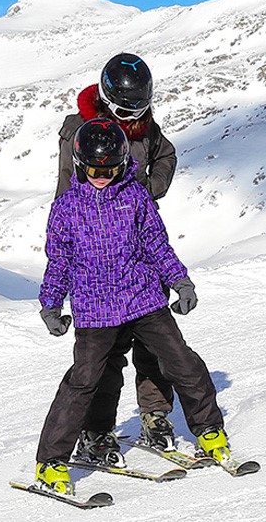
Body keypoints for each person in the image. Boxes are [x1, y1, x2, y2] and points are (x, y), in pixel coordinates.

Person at [33, 118, 235, 495]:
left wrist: (179, 279)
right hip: (95, 309)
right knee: (84, 380)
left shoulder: (134, 196)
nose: (101, 176)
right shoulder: (66, 208)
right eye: (93, 169)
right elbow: (59, 260)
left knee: (181, 361)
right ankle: (51, 462)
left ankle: (209, 431)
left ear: (122, 163)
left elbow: (156, 244)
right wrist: (50, 304)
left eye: (109, 169)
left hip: (143, 297)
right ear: (79, 164)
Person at [55, 53, 182, 457]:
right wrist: (69, 253)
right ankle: (95, 430)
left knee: (155, 343)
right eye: (124, 110)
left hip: (140, 247)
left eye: (138, 110)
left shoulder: (145, 128)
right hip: (96, 257)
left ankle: (155, 415)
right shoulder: (81, 130)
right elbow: (67, 188)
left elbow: (166, 154)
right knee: (104, 351)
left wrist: (149, 190)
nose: (132, 118)